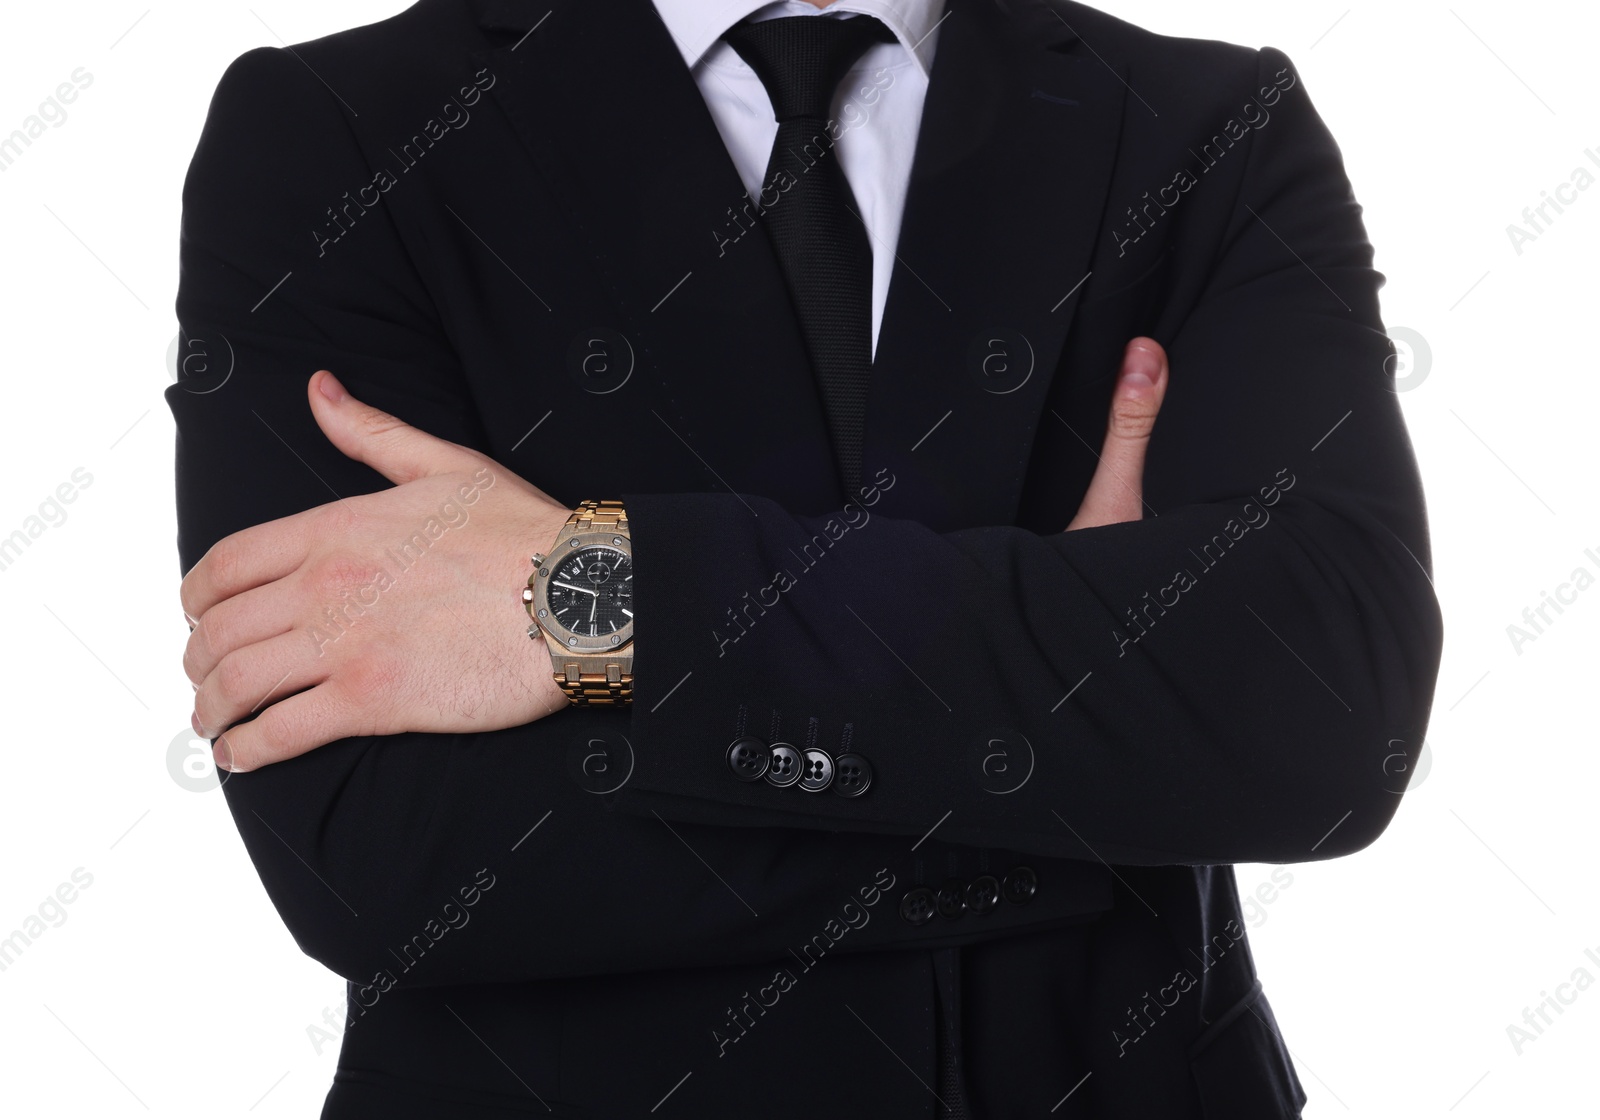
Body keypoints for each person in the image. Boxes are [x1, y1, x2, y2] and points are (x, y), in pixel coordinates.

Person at [167, 0, 1443, 1115]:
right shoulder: (336, 129)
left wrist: (604, 598)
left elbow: (1328, 714)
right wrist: (1078, 740)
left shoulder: (1207, 126)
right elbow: (375, 854)